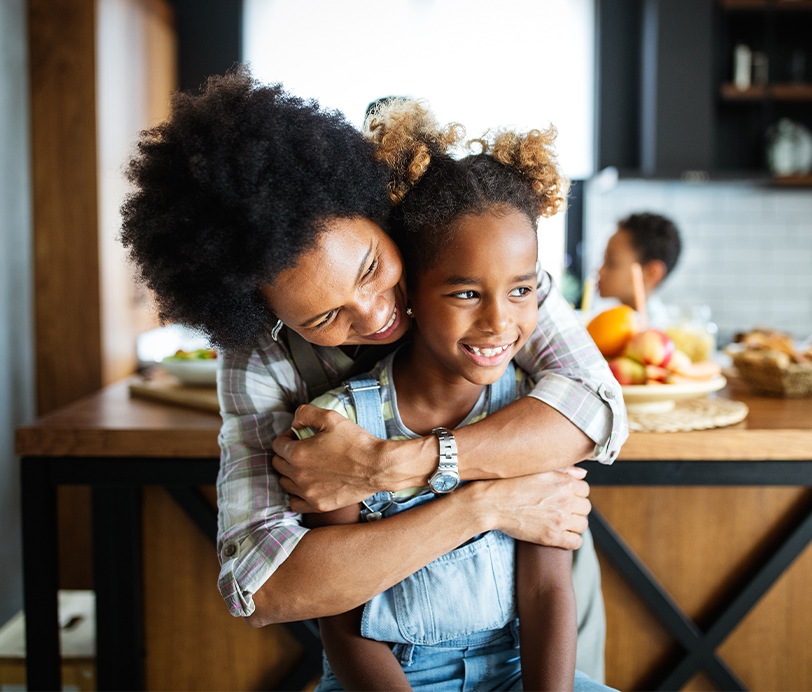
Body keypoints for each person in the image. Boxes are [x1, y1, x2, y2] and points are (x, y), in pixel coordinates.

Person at [119, 67, 626, 679]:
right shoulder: (261, 360)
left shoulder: (476, 271)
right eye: (326, 315)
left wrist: (388, 466)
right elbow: (267, 584)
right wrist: (484, 505)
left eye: (370, 268)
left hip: (536, 603)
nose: (377, 312)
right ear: (267, 316)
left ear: (381, 217)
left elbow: (595, 409)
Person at [300, 99, 612, 691]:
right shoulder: (341, 428)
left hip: (515, 673)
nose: (499, 322)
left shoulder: (532, 416)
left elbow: (547, 588)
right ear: (408, 293)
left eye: (521, 290)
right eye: (467, 294)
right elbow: (342, 626)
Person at [596, 212, 682, 328]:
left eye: (612, 263)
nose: (600, 271)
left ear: (651, 273)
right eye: (604, 259)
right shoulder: (604, 321)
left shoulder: (655, 334)